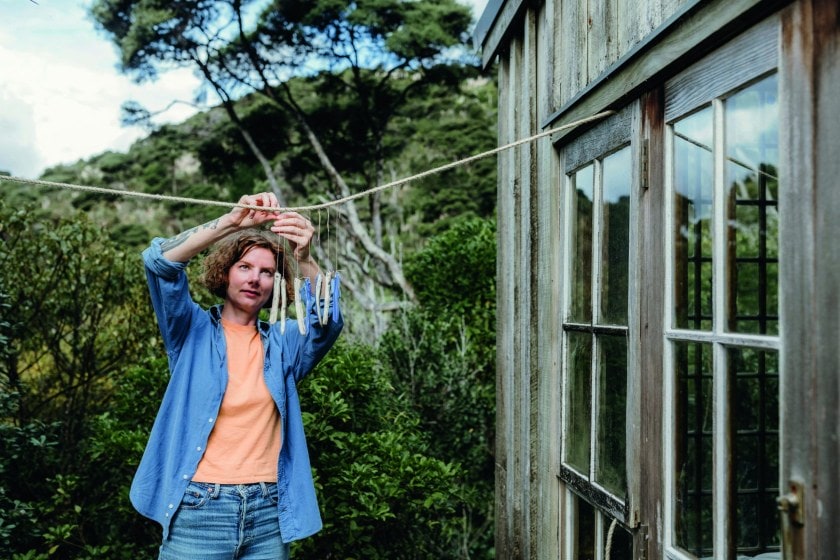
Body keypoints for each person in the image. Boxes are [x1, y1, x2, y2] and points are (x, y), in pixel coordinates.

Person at [130, 192, 343, 559]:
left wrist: (303, 258)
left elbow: (326, 323)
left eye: (266, 272)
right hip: (200, 508)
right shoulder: (190, 331)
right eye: (244, 267)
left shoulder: (283, 342)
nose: (255, 279)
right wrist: (231, 221)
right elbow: (160, 262)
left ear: (276, 284)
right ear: (224, 272)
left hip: (268, 511)